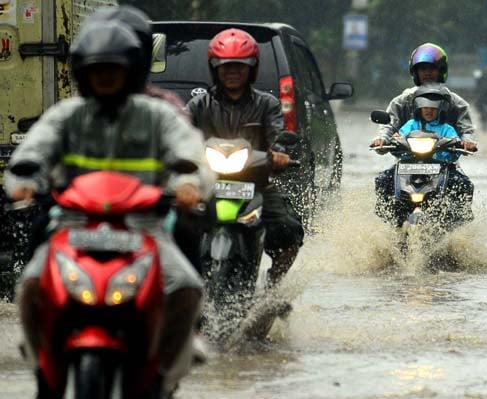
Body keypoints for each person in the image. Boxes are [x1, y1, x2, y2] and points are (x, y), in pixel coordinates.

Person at [5, 18, 213, 398]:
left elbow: (190, 153)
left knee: (186, 287)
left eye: (113, 70)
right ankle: (42, 363)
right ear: (83, 73)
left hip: (144, 226)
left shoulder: (158, 115)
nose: (104, 78)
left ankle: (163, 373)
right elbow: (33, 149)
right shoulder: (67, 115)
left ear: (131, 72)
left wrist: (188, 184)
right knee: (31, 285)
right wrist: (22, 182)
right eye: (96, 70)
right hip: (71, 224)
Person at [185, 28, 304, 288]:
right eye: (226, 66)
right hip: (206, 184)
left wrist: (280, 153)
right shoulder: (198, 105)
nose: (232, 72)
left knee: (290, 231)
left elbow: (279, 133)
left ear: (253, 69)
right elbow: (180, 133)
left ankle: (274, 288)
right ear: (214, 68)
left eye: (240, 66)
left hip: (256, 183)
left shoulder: (267, 104)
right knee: (170, 221)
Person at [370, 42, 477, 226]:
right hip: (407, 161)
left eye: (432, 68)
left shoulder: (455, 102)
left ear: (441, 70)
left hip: (443, 162)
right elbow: (390, 123)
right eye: (423, 69)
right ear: (415, 72)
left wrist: (467, 142)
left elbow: (466, 128)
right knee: (383, 180)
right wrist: (383, 139)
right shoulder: (403, 100)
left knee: (462, 184)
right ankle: (388, 221)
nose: (427, 73)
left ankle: (457, 226)